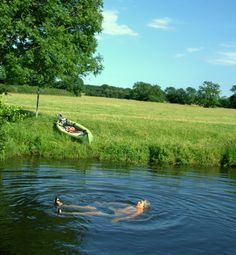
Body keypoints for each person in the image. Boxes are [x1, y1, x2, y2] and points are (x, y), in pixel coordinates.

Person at [54, 197, 150, 222]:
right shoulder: (133, 206)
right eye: (139, 201)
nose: (138, 202)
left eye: (140, 202)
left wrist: (119, 219)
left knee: (91, 212)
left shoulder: (139, 211)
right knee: (88, 207)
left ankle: (64, 213)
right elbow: (118, 204)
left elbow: (130, 217)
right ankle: (62, 205)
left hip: (113, 215)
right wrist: (105, 204)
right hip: (111, 210)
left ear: (143, 206)